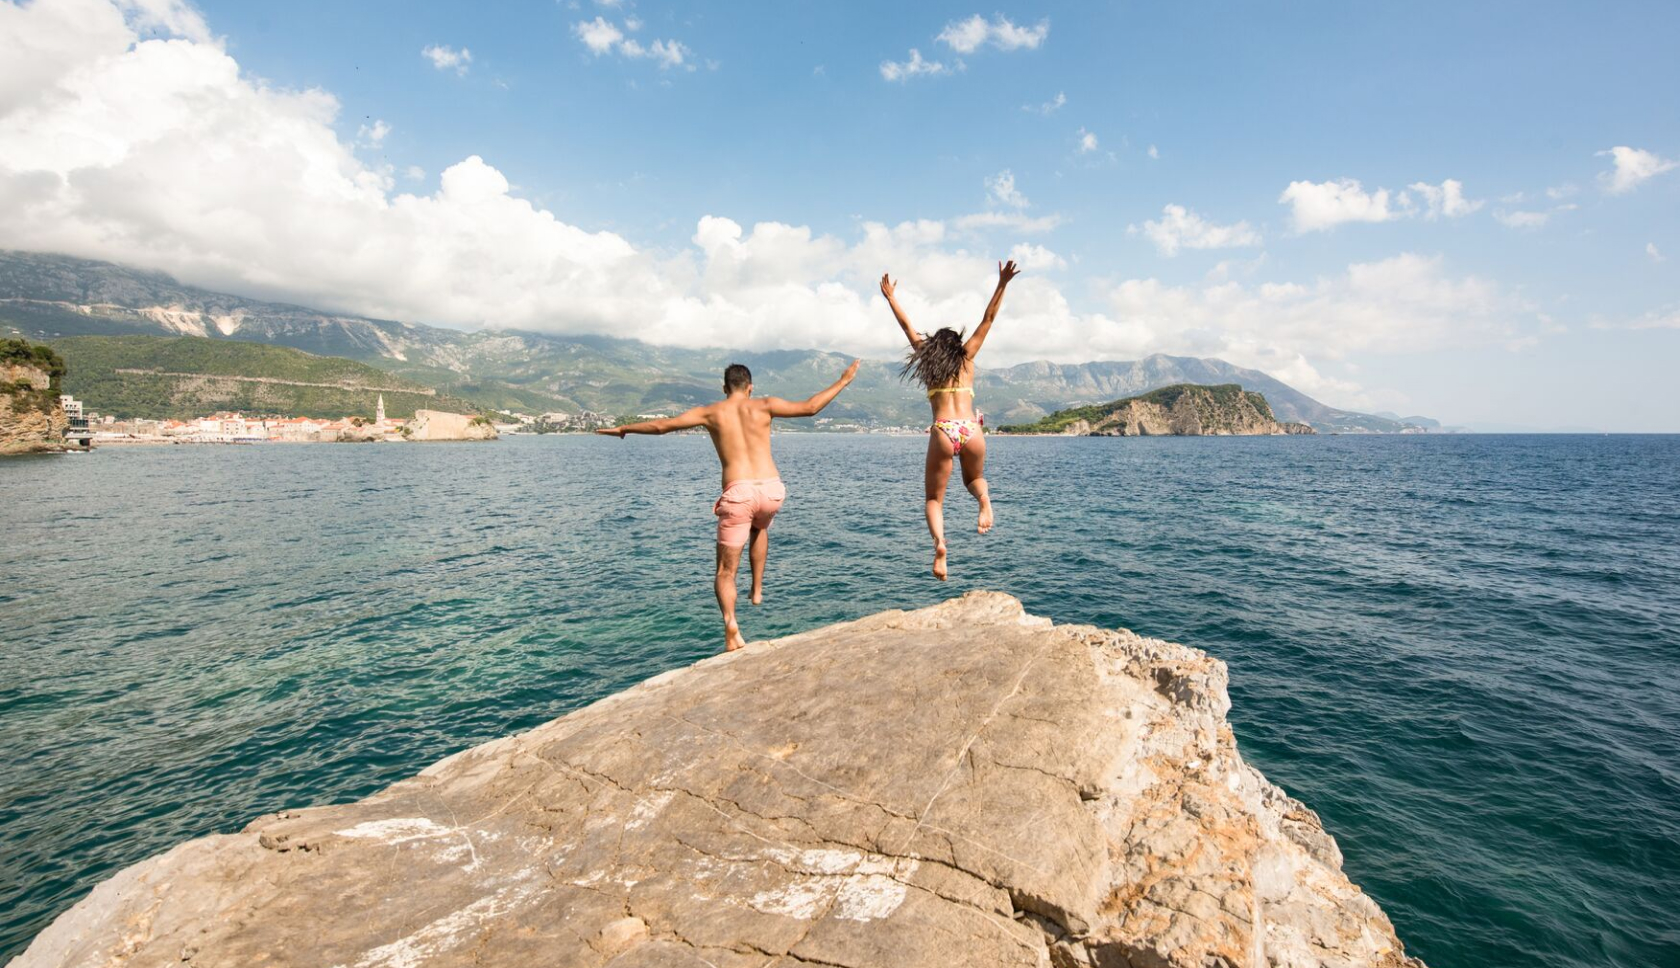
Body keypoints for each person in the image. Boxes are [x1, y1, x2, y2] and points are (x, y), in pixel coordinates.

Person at [596, 360, 860, 651]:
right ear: (750, 388)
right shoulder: (765, 404)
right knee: (760, 527)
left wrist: (624, 428)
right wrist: (843, 380)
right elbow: (811, 407)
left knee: (724, 571)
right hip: (771, 489)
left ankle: (731, 623)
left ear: (724, 388)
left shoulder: (711, 412)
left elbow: (661, 426)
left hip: (739, 493)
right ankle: (757, 590)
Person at [880, 260, 1020, 580]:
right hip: (971, 428)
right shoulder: (968, 358)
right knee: (973, 480)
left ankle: (940, 546)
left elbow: (906, 326)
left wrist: (890, 297)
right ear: (957, 345)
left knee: (933, 499)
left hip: (943, 429)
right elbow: (988, 319)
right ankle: (984, 501)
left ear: (934, 349)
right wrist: (1002, 283)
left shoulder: (928, 362)